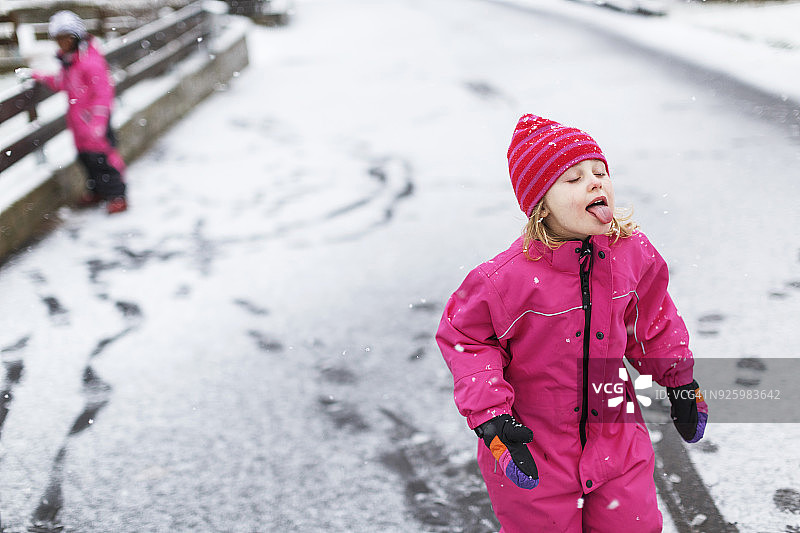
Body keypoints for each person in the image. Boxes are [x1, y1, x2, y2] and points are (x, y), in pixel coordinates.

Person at [435, 114, 708, 532]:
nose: (596, 182)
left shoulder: (631, 253)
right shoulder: (505, 279)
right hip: (533, 449)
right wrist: (491, 416)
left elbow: (652, 320)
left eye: (600, 172)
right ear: (542, 205)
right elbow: (466, 338)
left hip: (618, 438)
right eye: (574, 178)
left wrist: (679, 379)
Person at [31, 10, 128, 214]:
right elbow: (62, 83)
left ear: (75, 37)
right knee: (86, 159)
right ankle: (97, 191)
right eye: (58, 39)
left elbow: (103, 93)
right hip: (79, 124)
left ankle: (117, 195)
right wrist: (39, 77)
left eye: (65, 38)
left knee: (104, 159)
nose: (62, 43)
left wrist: (98, 122)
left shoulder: (90, 62)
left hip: (95, 123)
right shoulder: (70, 63)